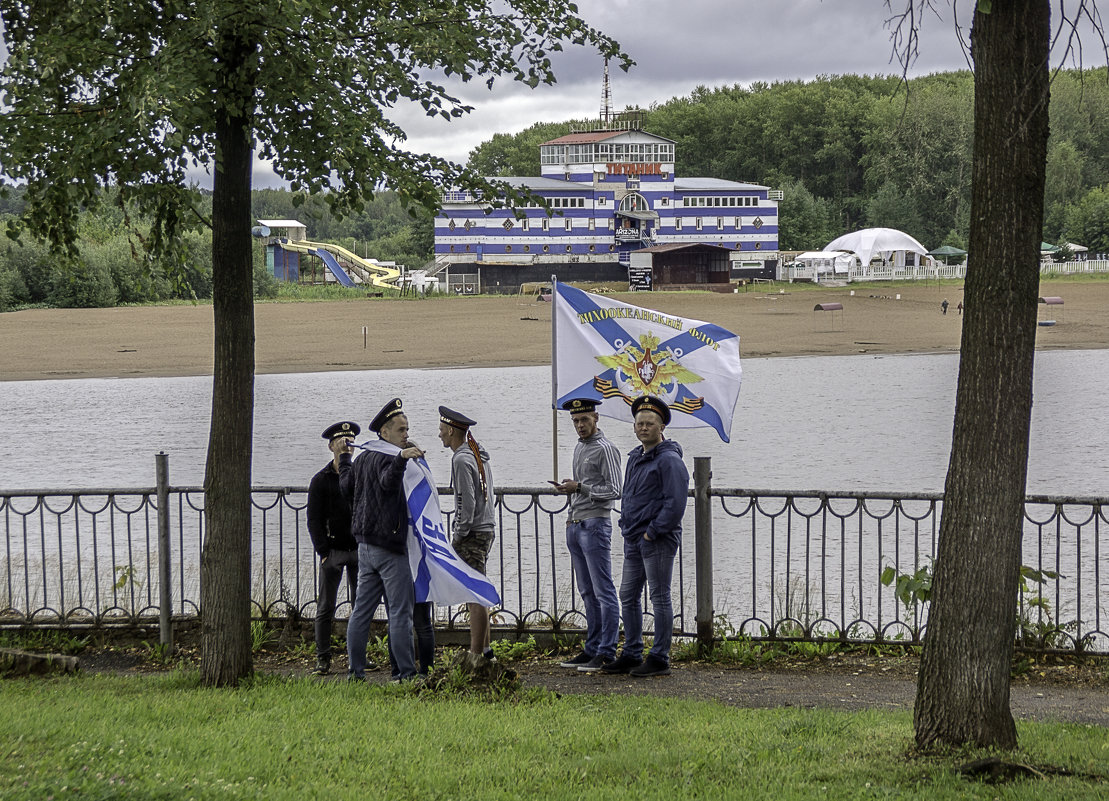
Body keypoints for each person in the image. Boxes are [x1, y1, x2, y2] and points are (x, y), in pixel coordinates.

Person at [602, 396, 689, 678]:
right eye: (639, 423)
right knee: (627, 595)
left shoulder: (669, 460)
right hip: (633, 537)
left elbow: (675, 503)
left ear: (661, 426)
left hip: (656, 540)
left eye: (650, 423)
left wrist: (653, 532)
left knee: (659, 596)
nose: (643, 428)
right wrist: (627, 525)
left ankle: (660, 657)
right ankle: (631, 652)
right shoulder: (635, 457)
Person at [340, 398, 425, 681]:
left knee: (361, 611)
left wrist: (343, 459)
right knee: (400, 613)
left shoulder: (363, 457)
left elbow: (346, 487)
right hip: (389, 546)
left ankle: (356, 672)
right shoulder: (390, 456)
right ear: (384, 432)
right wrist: (402, 460)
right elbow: (389, 483)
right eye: (401, 430)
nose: (406, 435)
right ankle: (405, 673)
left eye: (407, 429)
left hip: (365, 546)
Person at [552, 398, 622, 673]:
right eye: (575, 422)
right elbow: (586, 486)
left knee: (604, 591)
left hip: (595, 524)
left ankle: (606, 651)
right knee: (587, 591)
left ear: (596, 418)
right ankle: (592, 648)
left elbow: (615, 490)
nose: (580, 426)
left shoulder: (606, 449)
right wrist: (570, 489)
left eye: (584, 420)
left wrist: (580, 487)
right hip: (576, 522)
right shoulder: (580, 447)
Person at [306, 420, 371, 675]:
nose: (346, 446)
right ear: (332, 446)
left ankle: (358, 658)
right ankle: (323, 658)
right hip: (332, 551)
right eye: (341, 441)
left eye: (350, 441)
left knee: (361, 605)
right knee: (326, 607)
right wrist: (323, 551)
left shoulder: (357, 474)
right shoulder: (320, 480)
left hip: (357, 548)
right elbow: (314, 519)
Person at [438, 405, 496, 659]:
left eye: (441, 430)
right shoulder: (476, 453)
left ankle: (475, 654)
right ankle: (485, 650)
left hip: (473, 532)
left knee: (474, 594)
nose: (439, 435)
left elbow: (466, 502)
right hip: (485, 528)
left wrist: (458, 534)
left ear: (451, 430)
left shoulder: (461, 458)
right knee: (478, 589)